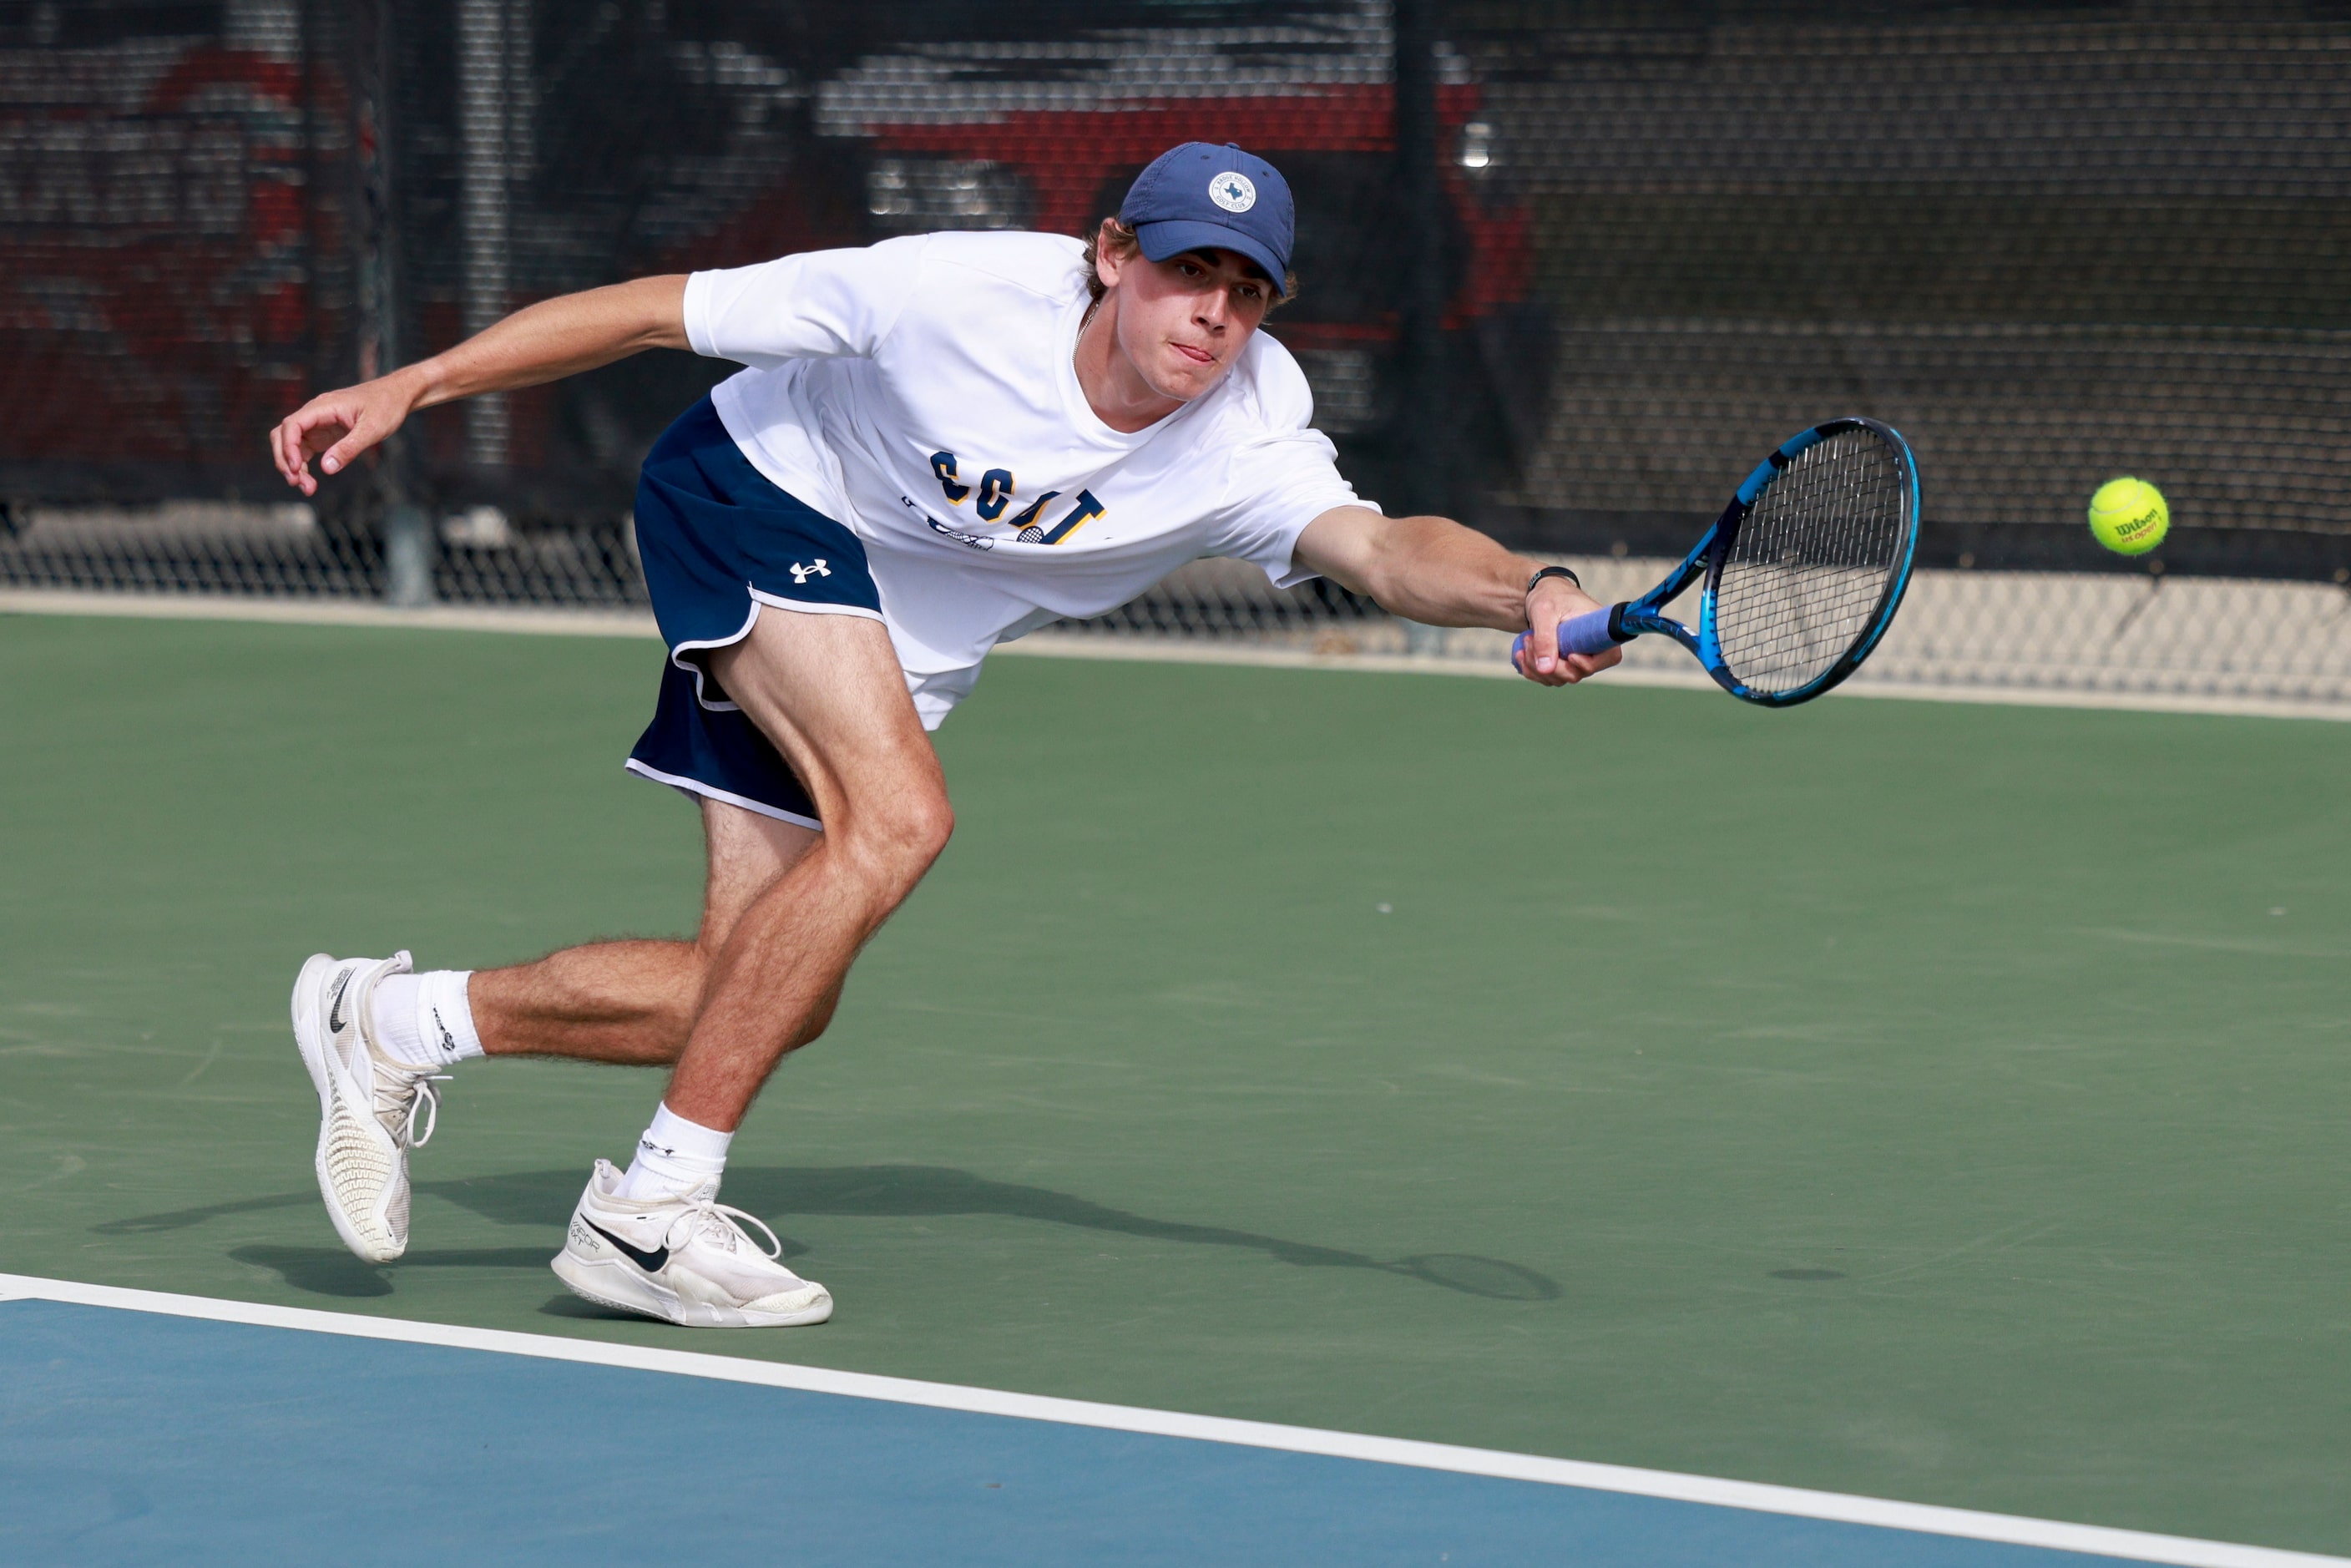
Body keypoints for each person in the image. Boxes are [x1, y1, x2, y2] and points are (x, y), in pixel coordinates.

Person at [269, 142, 1619, 1329]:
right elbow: (650, 317)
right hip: (759, 491)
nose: (1211, 310)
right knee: (903, 821)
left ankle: (391, 1019)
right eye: (1184, 269)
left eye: (1245, 287)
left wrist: (1535, 591)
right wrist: (421, 384)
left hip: (895, 630)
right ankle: (651, 1209)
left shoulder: (1250, 428)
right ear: (1111, 257)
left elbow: (1382, 549)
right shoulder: (951, 295)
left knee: (762, 988)